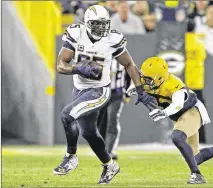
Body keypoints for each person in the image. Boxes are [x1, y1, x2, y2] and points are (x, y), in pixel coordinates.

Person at [53, 5, 157, 184]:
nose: (102, 28)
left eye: (104, 24)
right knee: (88, 132)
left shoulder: (112, 39)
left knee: (67, 115)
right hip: (79, 90)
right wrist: (77, 68)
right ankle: (109, 165)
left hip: (99, 90)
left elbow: (130, 65)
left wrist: (140, 90)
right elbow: (60, 65)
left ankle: (70, 156)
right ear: (86, 24)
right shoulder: (77, 34)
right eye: (97, 24)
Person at [127, 57, 213, 184]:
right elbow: (135, 78)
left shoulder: (173, 84)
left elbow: (178, 104)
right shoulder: (149, 79)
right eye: (144, 77)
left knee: (177, 137)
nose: (144, 81)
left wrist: (164, 112)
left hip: (192, 111)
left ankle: (196, 175)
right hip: (180, 116)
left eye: (148, 79)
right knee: (195, 158)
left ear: (160, 78)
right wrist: (134, 88)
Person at [97, 59, 131, 160]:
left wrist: (127, 93)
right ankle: (102, 148)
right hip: (101, 93)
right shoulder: (99, 56)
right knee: (100, 122)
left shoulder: (122, 58)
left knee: (112, 120)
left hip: (117, 93)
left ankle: (110, 150)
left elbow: (129, 74)